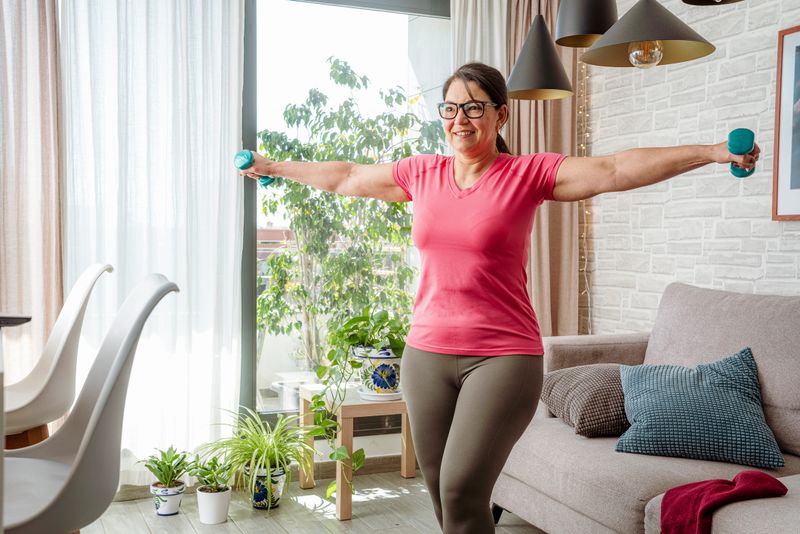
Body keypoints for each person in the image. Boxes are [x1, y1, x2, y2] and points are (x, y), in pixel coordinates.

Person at [240, 62, 760, 533]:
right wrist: (273, 167)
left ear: (500, 115)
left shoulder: (525, 174)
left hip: (503, 357)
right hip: (425, 354)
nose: (460, 119)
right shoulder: (422, 174)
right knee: (442, 493)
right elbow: (349, 176)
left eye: (473, 107)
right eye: (450, 108)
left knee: (460, 490)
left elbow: (614, 170)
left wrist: (713, 152)